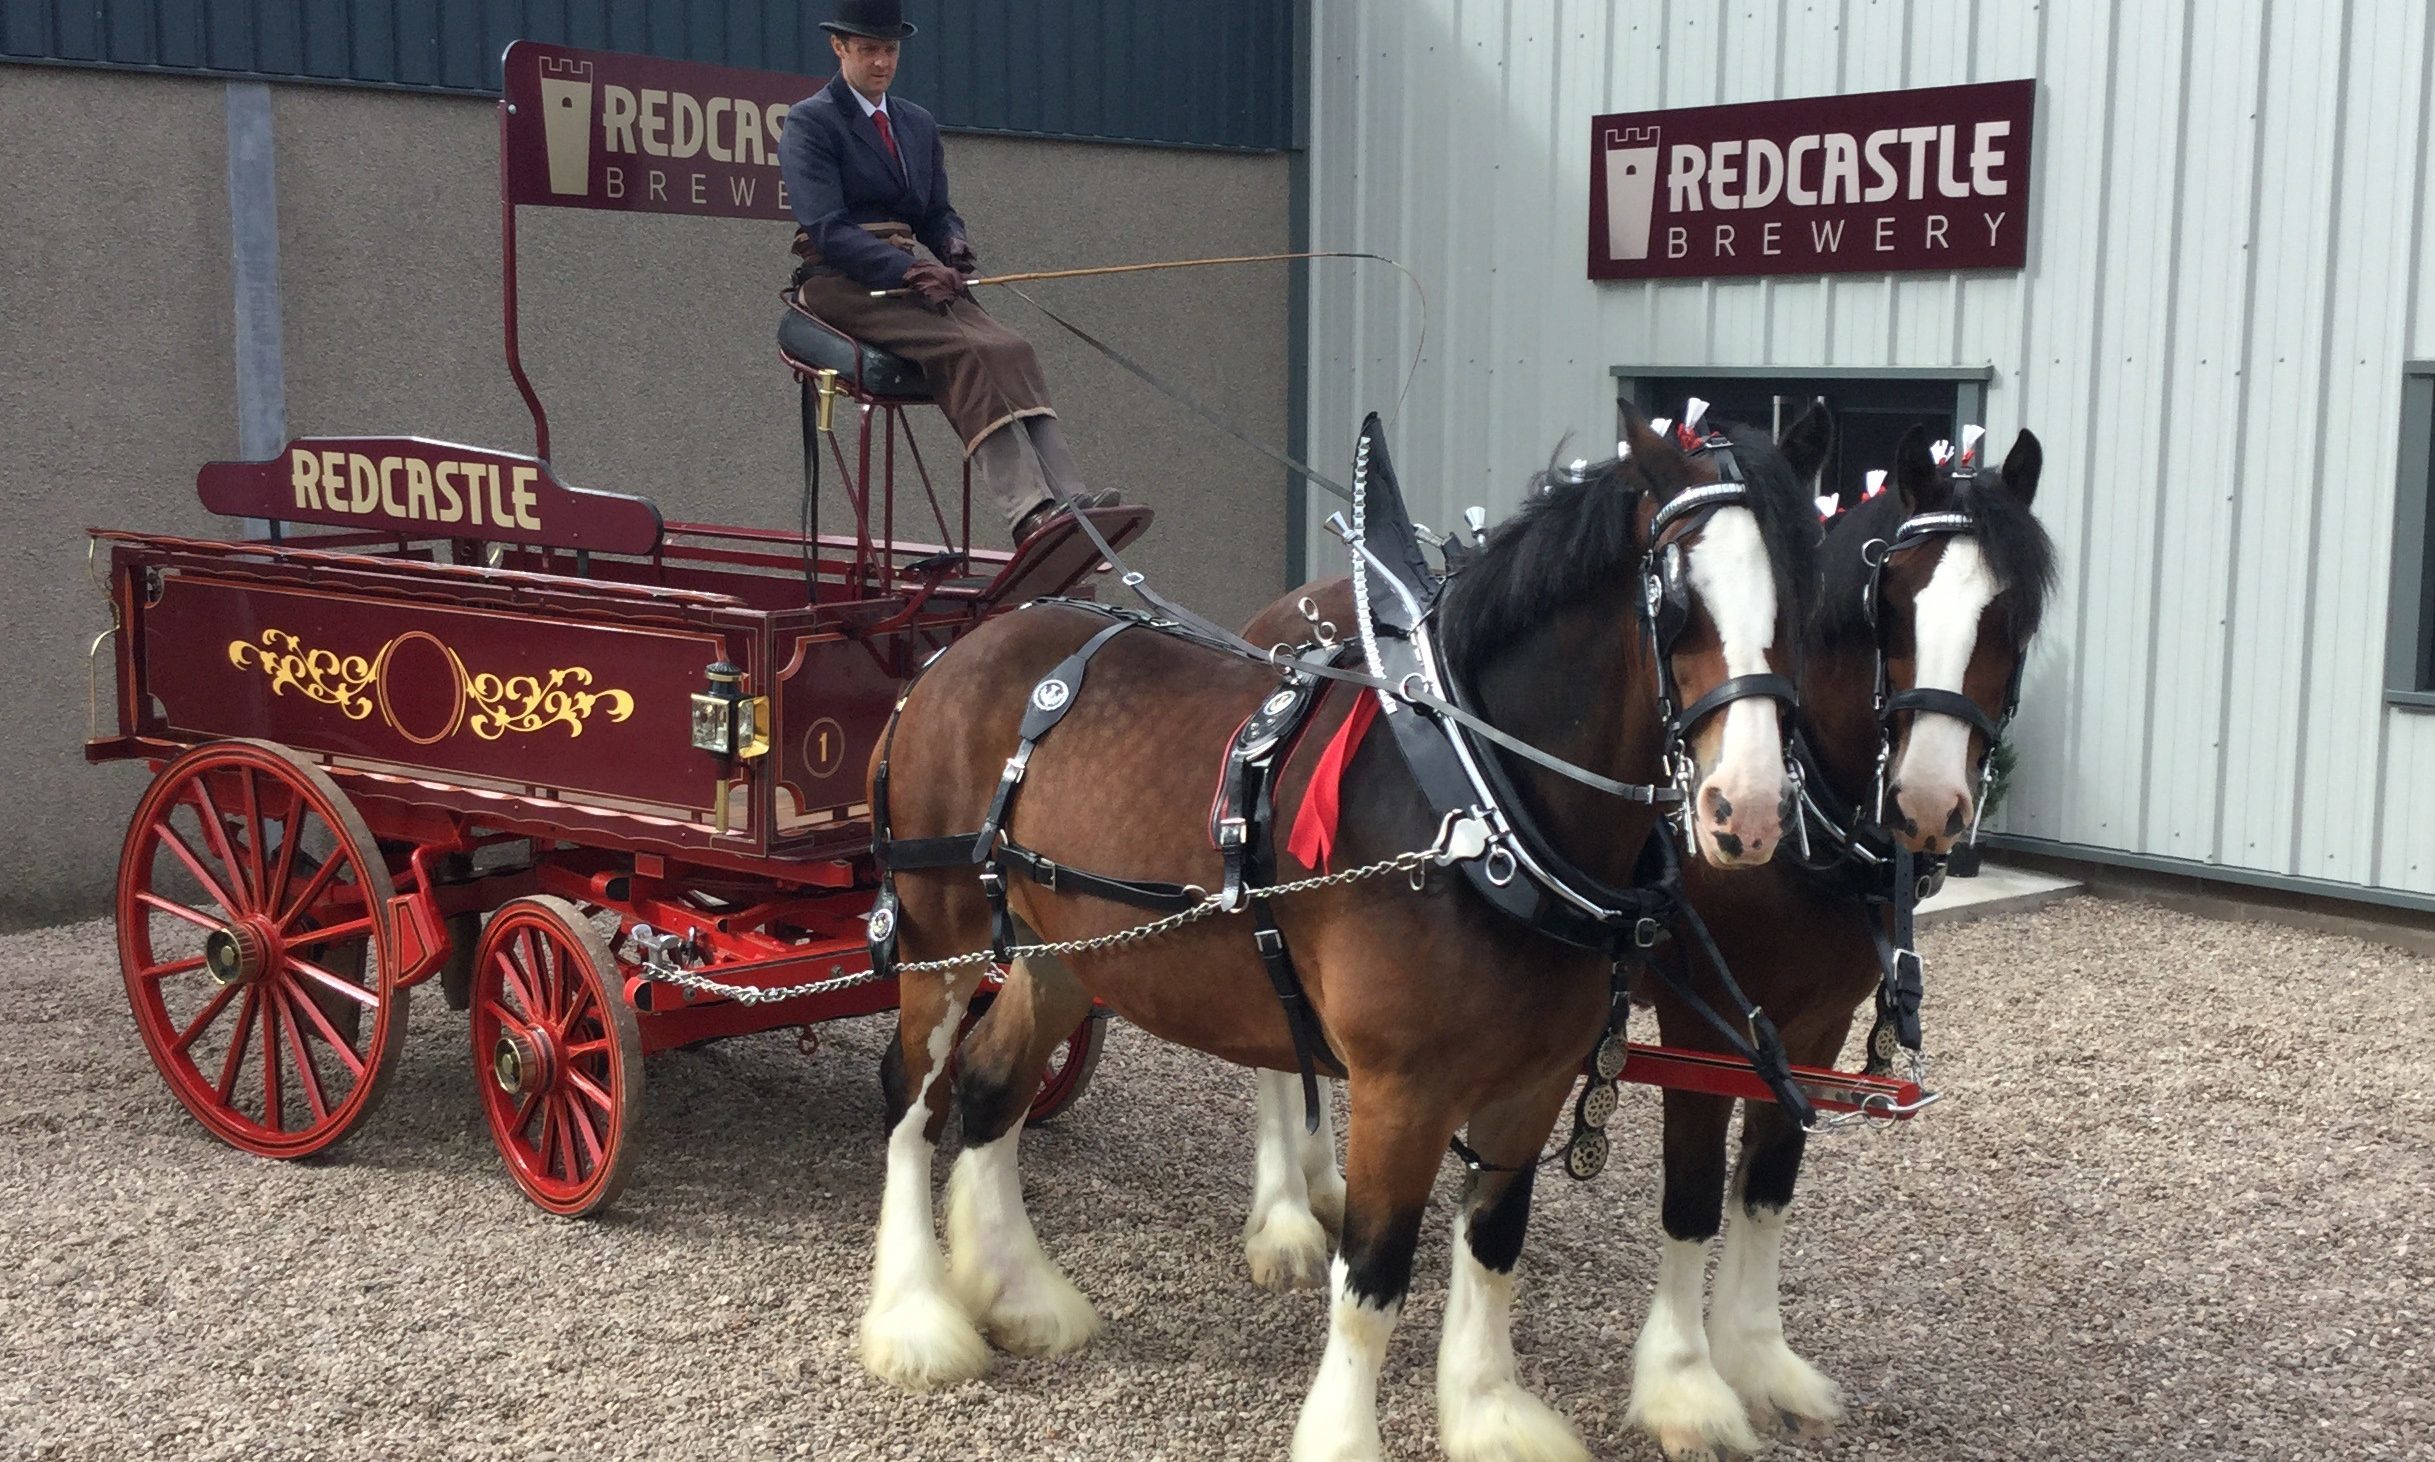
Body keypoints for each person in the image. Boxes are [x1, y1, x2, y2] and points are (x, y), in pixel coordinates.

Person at [779, 0, 1118, 544]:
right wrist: (910, 270)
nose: (882, 62)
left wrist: (950, 244)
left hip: (911, 274)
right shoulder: (812, 121)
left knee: (1014, 347)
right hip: (843, 281)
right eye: (868, 50)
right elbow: (827, 227)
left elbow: (934, 211)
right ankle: (1029, 510)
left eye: (889, 50)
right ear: (839, 46)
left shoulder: (915, 123)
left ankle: (1071, 501)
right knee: (966, 348)